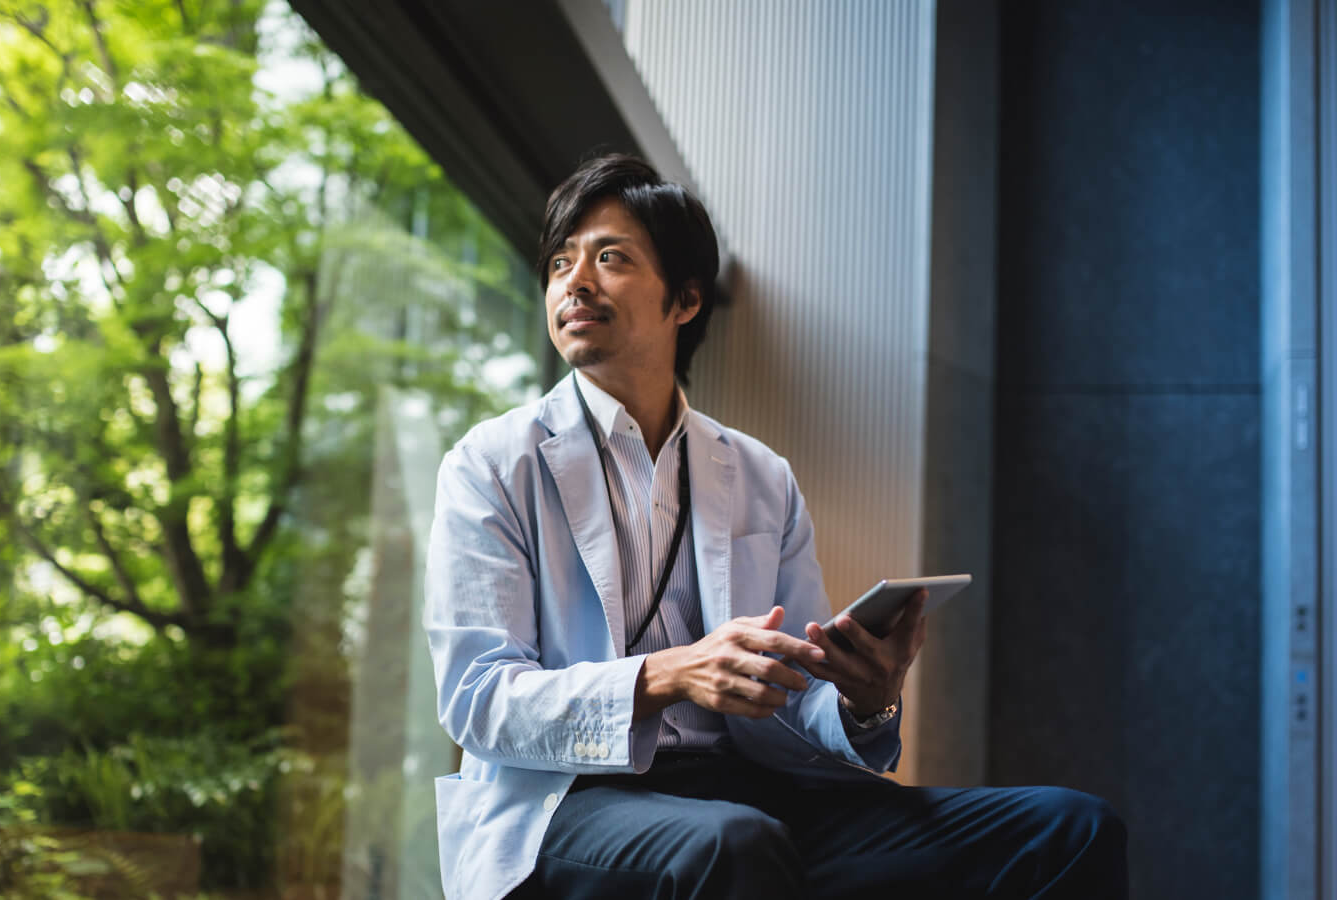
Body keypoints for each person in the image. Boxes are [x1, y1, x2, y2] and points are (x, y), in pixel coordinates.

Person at [423, 153, 1126, 900]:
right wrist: (670, 674)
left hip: (755, 788)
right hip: (569, 801)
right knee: (735, 843)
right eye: (561, 261)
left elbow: (792, 698)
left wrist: (865, 699)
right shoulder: (491, 464)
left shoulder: (761, 475)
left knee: (1070, 827)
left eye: (611, 257)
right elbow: (479, 698)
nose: (575, 280)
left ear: (685, 300)